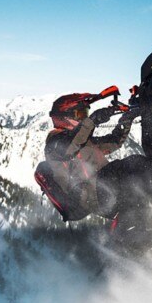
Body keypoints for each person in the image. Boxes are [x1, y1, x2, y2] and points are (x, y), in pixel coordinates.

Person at [36, 90, 134, 221]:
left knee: (137, 174)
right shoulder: (55, 142)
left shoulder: (83, 140)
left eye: (85, 114)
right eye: (80, 114)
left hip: (105, 189)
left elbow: (114, 141)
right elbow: (69, 148)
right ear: (65, 117)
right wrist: (93, 120)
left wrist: (127, 118)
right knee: (134, 164)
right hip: (94, 194)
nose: (83, 118)